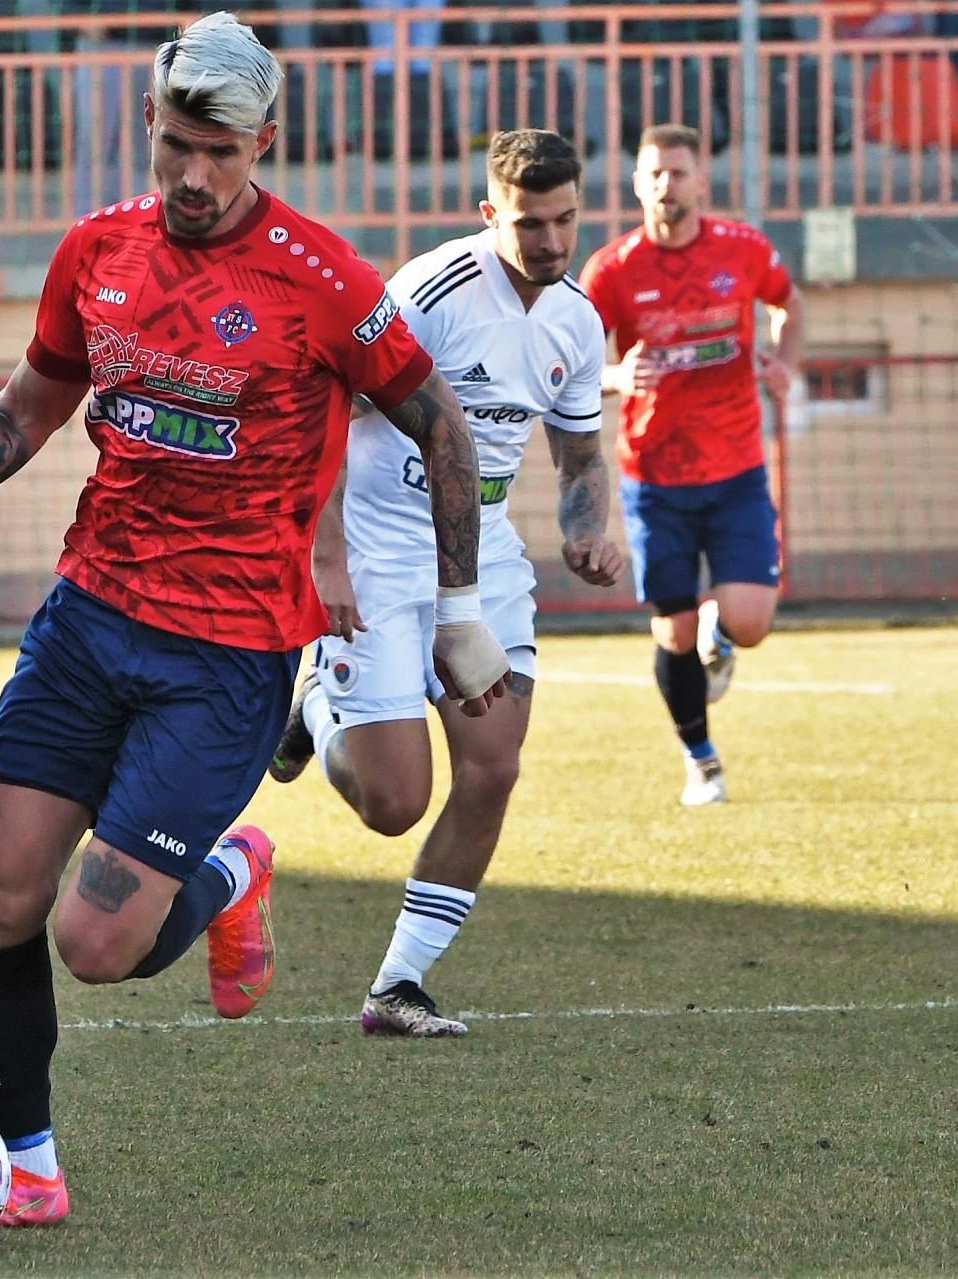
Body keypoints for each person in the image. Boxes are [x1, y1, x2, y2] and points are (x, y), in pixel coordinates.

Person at [0, 11, 510, 1229]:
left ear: (265, 141)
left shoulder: (323, 279)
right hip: (88, 616)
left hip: (227, 655)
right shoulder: (96, 250)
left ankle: (229, 868)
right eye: (177, 145)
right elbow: (35, 397)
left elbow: (443, 429)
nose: (196, 175)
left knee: (95, 944)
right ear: (148, 126)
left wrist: (460, 613)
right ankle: (31, 1170)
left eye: (221, 151)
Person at [266, 129, 621, 1038]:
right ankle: (316, 709)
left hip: (484, 554)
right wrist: (326, 556)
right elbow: (326, 412)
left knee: (493, 768)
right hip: (379, 555)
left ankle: (400, 983)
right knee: (394, 804)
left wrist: (588, 528)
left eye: (566, 220)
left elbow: (581, 455)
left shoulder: (579, 321)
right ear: (490, 212)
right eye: (530, 223)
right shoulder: (429, 293)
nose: (551, 240)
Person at [577, 123, 805, 806]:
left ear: (701, 180)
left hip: (736, 469)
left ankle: (723, 634)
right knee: (673, 632)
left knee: (752, 621)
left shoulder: (743, 248)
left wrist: (783, 362)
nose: (665, 185)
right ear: (636, 184)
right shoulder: (612, 270)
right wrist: (617, 377)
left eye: (677, 172)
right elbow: (571, 367)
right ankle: (701, 761)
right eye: (653, 174)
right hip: (655, 477)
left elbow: (788, 303)